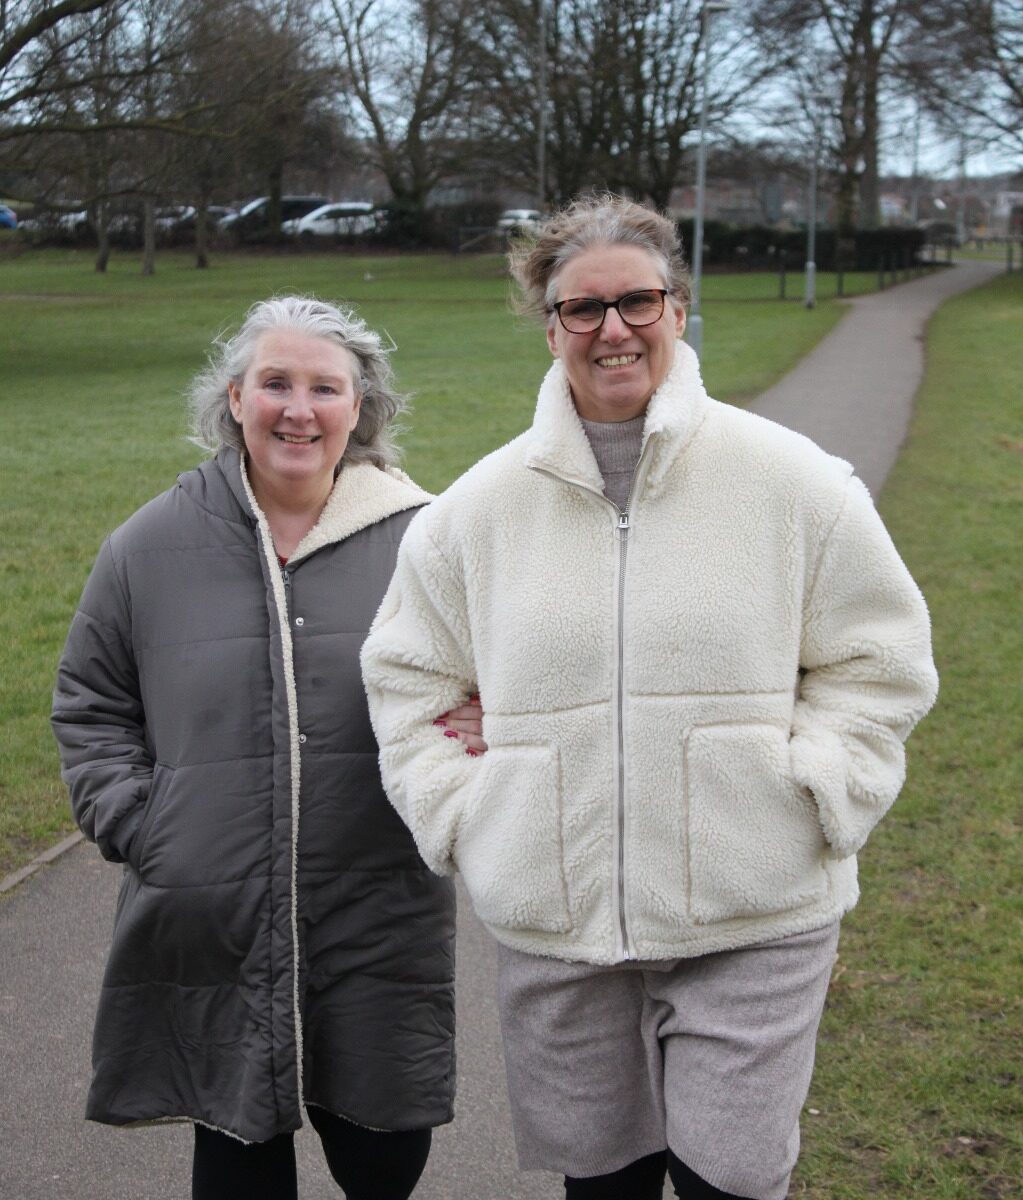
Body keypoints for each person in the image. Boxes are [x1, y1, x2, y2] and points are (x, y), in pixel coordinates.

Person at [361, 196, 938, 1200]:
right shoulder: (474, 514)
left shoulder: (794, 484)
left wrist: (814, 786)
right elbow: (407, 680)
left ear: (677, 307)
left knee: (733, 1180)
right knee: (603, 1186)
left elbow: (877, 662)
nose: (611, 329)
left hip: (752, 915)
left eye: (636, 301)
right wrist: (471, 816)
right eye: (581, 309)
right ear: (550, 328)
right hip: (558, 926)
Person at [52, 296, 478, 1200]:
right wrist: (147, 822)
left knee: (384, 1146)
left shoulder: (429, 540)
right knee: (238, 1148)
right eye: (275, 384)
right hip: (217, 915)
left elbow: (501, 683)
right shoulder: (150, 544)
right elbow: (90, 702)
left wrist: (480, 739)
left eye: (325, 387)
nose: (299, 409)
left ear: (358, 409)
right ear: (235, 398)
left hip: (380, 907)